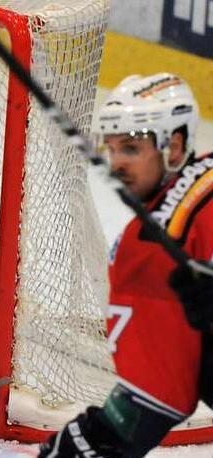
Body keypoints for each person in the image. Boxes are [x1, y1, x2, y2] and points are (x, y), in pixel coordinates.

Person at [39, 73, 213, 457]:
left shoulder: (147, 252)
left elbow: (150, 404)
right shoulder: (152, 246)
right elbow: (157, 389)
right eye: (112, 148)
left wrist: (99, 440)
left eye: (131, 148)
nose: (116, 163)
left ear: (176, 146)